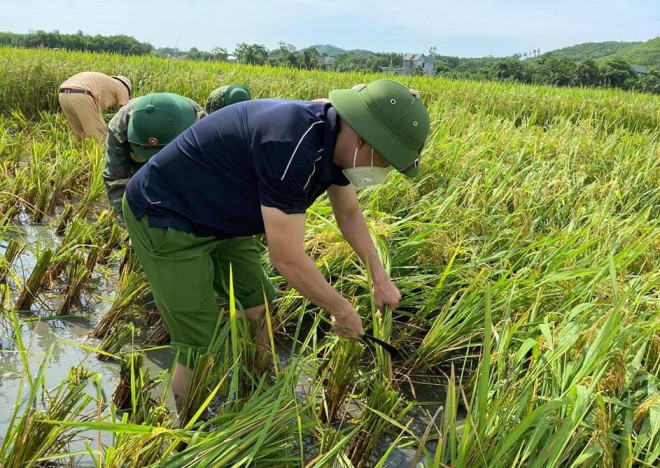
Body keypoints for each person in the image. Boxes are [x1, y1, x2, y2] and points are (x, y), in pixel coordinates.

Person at [121, 79, 430, 408]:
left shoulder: (337, 141)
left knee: (260, 304)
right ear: (362, 138)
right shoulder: (289, 144)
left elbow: (349, 213)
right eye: (384, 161)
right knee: (200, 341)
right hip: (166, 214)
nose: (382, 170)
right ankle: (190, 431)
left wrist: (379, 278)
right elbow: (287, 257)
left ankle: (260, 387)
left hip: (222, 214)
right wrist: (340, 310)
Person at [103, 93, 206, 215]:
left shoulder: (201, 124)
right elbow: (116, 179)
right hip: (138, 164)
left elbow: (209, 173)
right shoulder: (119, 129)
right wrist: (127, 221)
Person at [58, 72, 132, 143]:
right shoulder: (122, 86)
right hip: (82, 95)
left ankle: (83, 153)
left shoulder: (105, 82)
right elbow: (126, 111)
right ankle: (102, 155)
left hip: (63, 94)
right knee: (99, 135)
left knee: (79, 134)